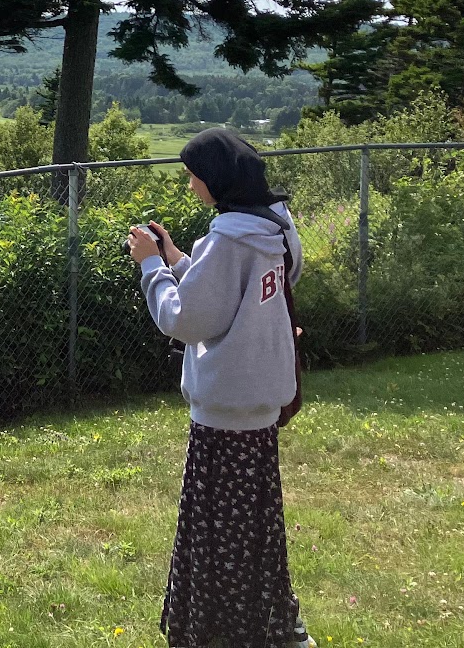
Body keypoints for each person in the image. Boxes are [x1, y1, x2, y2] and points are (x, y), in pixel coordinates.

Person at [126, 126, 316, 648]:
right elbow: (234, 298)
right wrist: (181, 261)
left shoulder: (228, 238)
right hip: (260, 405)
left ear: (215, 179)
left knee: (217, 537)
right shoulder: (273, 227)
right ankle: (275, 623)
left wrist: (150, 266)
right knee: (256, 532)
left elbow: (185, 320)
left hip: (223, 415)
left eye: (193, 176)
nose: (191, 186)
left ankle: (216, 631)